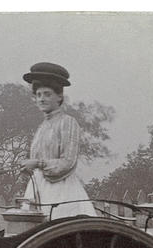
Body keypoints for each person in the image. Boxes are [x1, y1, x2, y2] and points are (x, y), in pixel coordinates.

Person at [18, 62, 97, 219]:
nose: (41, 99)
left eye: (47, 94)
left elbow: (68, 161)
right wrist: (27, 164)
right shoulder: (42, 127)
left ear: (59, 96)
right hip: (38, 188)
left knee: (56, 231)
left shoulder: (68, 122)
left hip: (61, 192)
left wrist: (38, 163)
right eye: (38, 95)